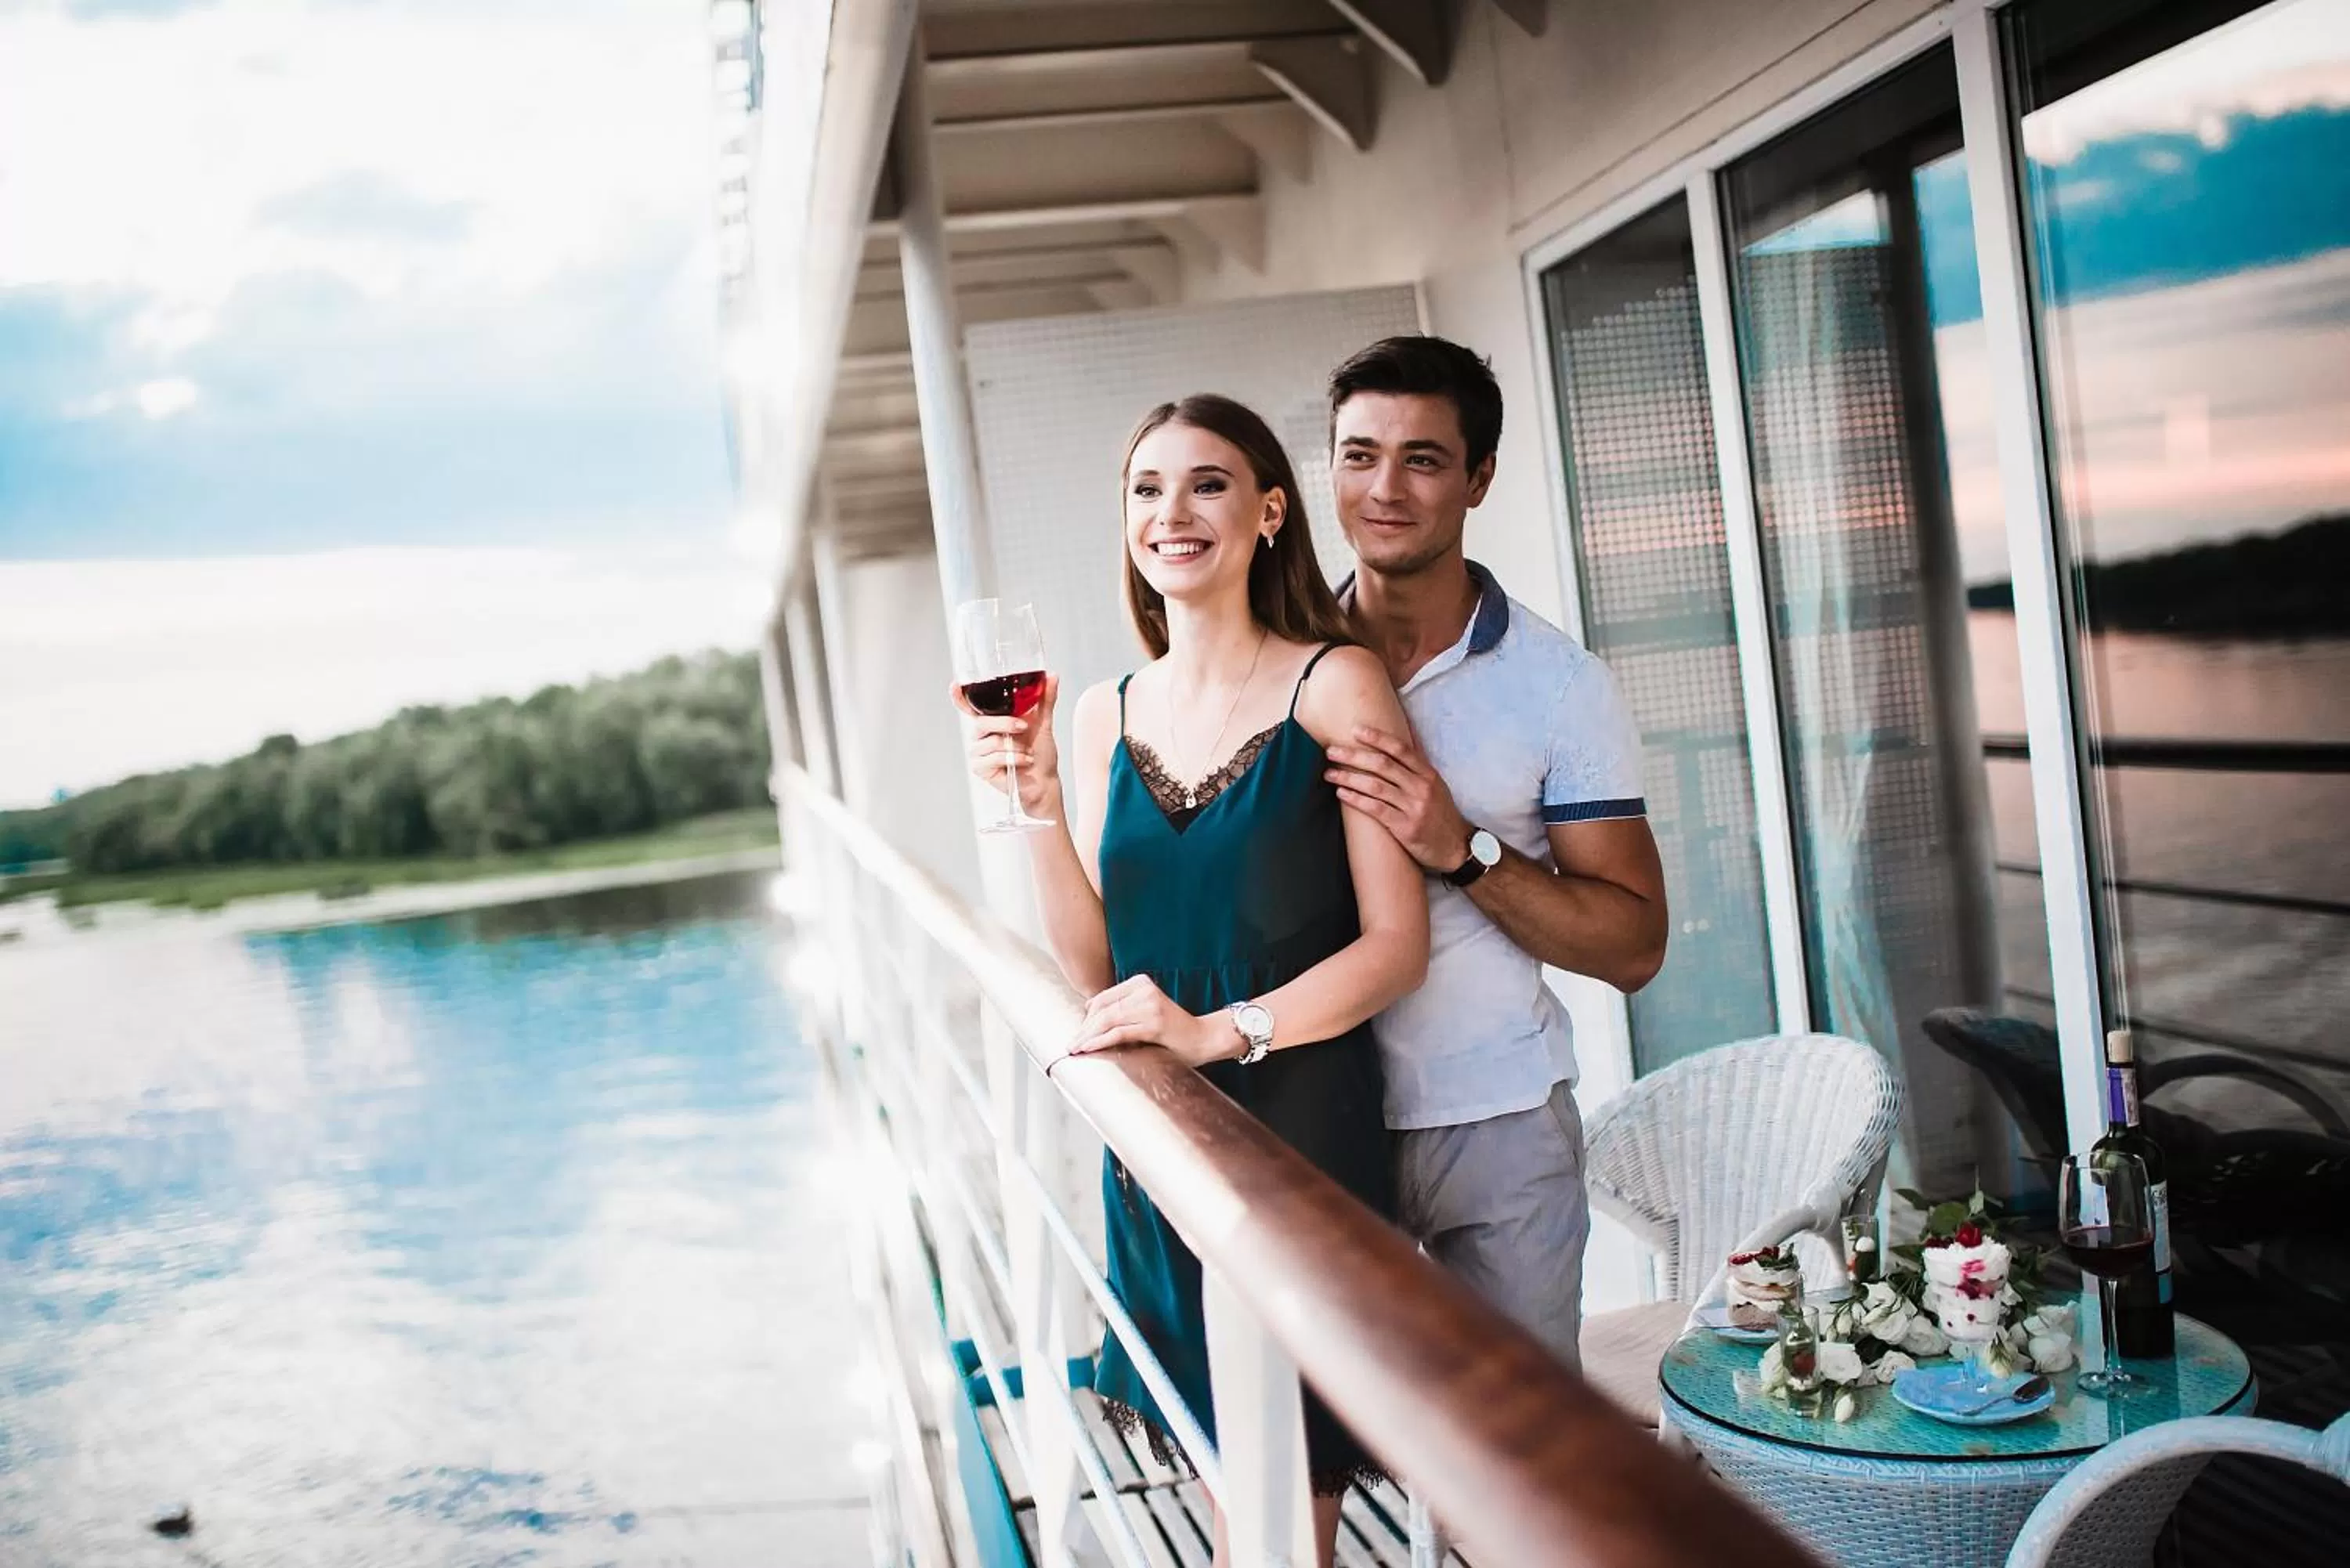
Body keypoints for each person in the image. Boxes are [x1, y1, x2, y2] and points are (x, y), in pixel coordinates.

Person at [957, 393, 1429, 1568]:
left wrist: (1222, 1030)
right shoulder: (1106, 710)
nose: (1172, 512)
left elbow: (1395, 945)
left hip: (1298, 1138)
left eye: (1207, 483)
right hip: (1162, 1148)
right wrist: (1036, 802)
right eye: (1146, 488)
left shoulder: (1336, 685)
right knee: (1241, 1505)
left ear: (1270, 511)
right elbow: (1099, 965)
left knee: (1284, 1520)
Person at [1318, 335, 1669, 1372]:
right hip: (1326, 1116)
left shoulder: (1560, 687)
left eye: (1423, 459)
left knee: (1524, 1453)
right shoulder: (1279, 659)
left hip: (1502, 1127)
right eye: (1358, 454)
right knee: (1355, 1428)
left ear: (1479, 477)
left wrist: (1461, 847)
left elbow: (1635, 944)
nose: (1385, 488)